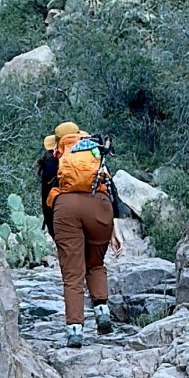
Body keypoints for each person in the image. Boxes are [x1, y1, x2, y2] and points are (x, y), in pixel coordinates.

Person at [44, 120, 123, 346]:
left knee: (73, 274)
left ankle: (75, 330)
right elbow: (111, 191)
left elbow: (46, 202)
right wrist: (115, 230)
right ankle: (102, 312)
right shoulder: (94, 153)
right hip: (100, 207)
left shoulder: (53, 161)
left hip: (66, 210)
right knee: (96, 263)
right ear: (79, 136)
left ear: (58, 142)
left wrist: (55, 232)